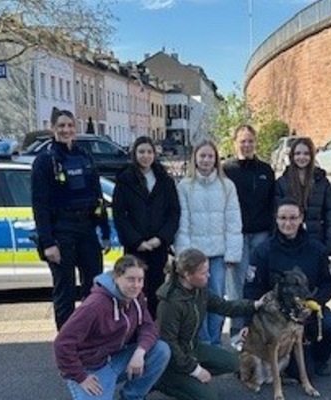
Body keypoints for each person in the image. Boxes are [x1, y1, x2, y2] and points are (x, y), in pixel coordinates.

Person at [243, 198, 331, 378]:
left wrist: (314, 302)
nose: (287, 223)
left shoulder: (316, 249)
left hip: (308, 312)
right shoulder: (263, 251)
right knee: (299, 374)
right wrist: (246, 323)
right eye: (282, 218)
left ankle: (319, 359)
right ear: (276, 219)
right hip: (276, 319)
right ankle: (296, 359)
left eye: (292, 218)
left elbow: (329, 283)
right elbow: (251, 289)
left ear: (301, 218)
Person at [31, 107, 111, 330]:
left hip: (86, 229)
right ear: (53, 128)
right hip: (61, 231)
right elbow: (40, 204)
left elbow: (97, 196)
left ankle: (91, 340)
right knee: (65, 291)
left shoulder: (84, 156)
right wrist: (48, 242)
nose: (66, 130)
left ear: (75, 128)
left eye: (69, 126)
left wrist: (104, 232)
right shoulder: (45, 161)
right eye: (61, 126)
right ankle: (68, 346)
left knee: (94, 289)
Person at [54, 255, 171, 400]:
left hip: (117, 357)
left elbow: (148, 326)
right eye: (131, 279)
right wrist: (80, 377)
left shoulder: (136, 297)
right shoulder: (95, 305)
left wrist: (140, 352)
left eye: (140, 280)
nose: (136, 285)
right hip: (91, 367)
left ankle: (132, 396)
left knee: (161, 349)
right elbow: (62, 343)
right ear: (116, 277)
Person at [155, 248, 263, 400]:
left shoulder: (199, 290)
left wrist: (255, 305)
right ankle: (164, 381)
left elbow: (224, 306)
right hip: (172, 361)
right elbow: (169, 344)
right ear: (187, 275)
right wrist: (195, 370)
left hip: (193, 348)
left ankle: (188, 379)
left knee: (232, 362)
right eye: (203, 272)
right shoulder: (170, 303)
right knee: (209, 398)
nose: (209, 275)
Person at [175, 140, 243, 345]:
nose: (206, 160)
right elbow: (183, 222)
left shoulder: (226, 185)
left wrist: (232, 253)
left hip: (218, 254)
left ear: (216, 160)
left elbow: (233, 221)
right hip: (194, 255)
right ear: (195, 158)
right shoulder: (185, 186)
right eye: (202, 156)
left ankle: (214, 342)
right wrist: (184, 255)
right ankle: (202, 342)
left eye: (210, 156)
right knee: (196, 300)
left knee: (217, 300)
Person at [113, 136, 181, 318]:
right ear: (135, 154)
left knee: (156, 292)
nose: (146, 156)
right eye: (141, 152)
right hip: (135, 247)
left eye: (149, 152)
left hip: (158, 246)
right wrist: (137, 241)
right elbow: (119, 215)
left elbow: (174, 212)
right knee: (133, 291)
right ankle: (133, 332)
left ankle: (153, 331)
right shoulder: (125, 180)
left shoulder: (164, 180)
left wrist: (161, 238)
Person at [223, 125, 275, 337]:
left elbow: (273, 202)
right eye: (242, 141)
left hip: (261, 234)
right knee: (236, 286)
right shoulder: (226, 170)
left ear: (256, 143)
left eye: (250, 141)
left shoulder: (265, 170)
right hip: (236, 235)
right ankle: (237, 332)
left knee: (258, 282)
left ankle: (258, 331)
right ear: (235, 143)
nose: (246, 145)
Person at [274, 137, 331, 256]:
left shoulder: (322, 182)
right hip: (289, 242)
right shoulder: (281, 183)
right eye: (297, 153)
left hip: (316, 240)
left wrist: (330, 246)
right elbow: (277, 216)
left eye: (306, 153)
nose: (302, 157)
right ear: (292, 156)